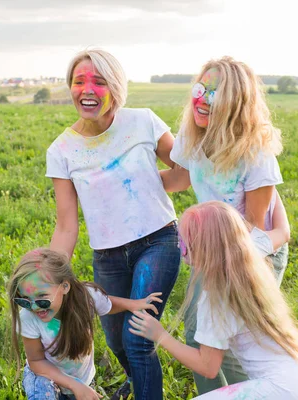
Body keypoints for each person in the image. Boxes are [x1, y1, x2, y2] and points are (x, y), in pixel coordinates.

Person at [46, 48, 181, 400]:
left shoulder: (144, 122)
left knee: (137, 339)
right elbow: (66, 226)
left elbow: (185, 174)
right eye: (79, 81)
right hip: (107, 256)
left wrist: (145, 184)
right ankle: (140, 382)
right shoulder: (61, 150)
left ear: (115, 87)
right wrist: (48, 279)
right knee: (117, 342)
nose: (87, 89)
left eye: (99, 81)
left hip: (158, 242)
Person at [159, 56, 290, 393]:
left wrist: (211, 259)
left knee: (233, 336)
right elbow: (179, 179)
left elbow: (252, 224)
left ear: (236, 103)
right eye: (199, 89)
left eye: (213, 94)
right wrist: (127, 180)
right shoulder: (193, 135)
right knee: (200, 329)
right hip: (213, 244)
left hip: (253, 248)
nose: (201, 99)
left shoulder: (256, 155)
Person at [128, 202, 298, 400]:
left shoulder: (216, 299)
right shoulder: (249, 251)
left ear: (202, 248)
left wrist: (160, 335)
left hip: (277, 390)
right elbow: (282, 232)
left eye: (182, 242)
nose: (179, 246)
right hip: (297, 378)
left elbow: (208, 367)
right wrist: (273, 194)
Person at [8, 248, 164, 400]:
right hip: (47, 379)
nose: (34, 307)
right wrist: (74, 385)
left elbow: (107, 304)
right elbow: (36, 361)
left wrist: (132, 304)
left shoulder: (86, 298)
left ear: (65, 286)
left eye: (42, 297)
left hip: (83, 380)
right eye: (25, 300)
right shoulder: (28, 317)